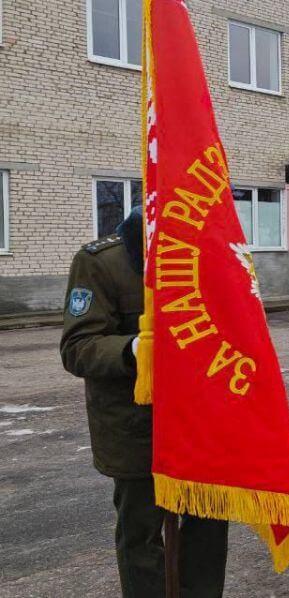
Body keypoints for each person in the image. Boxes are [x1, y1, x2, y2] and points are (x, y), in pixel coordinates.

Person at [62, 207, 230, 598]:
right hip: (135, 426)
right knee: (141, 532)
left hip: (200, 423)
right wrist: (136, 348)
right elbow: (77, 347)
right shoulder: (101, 262)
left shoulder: (210, 257)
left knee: (209, 521)